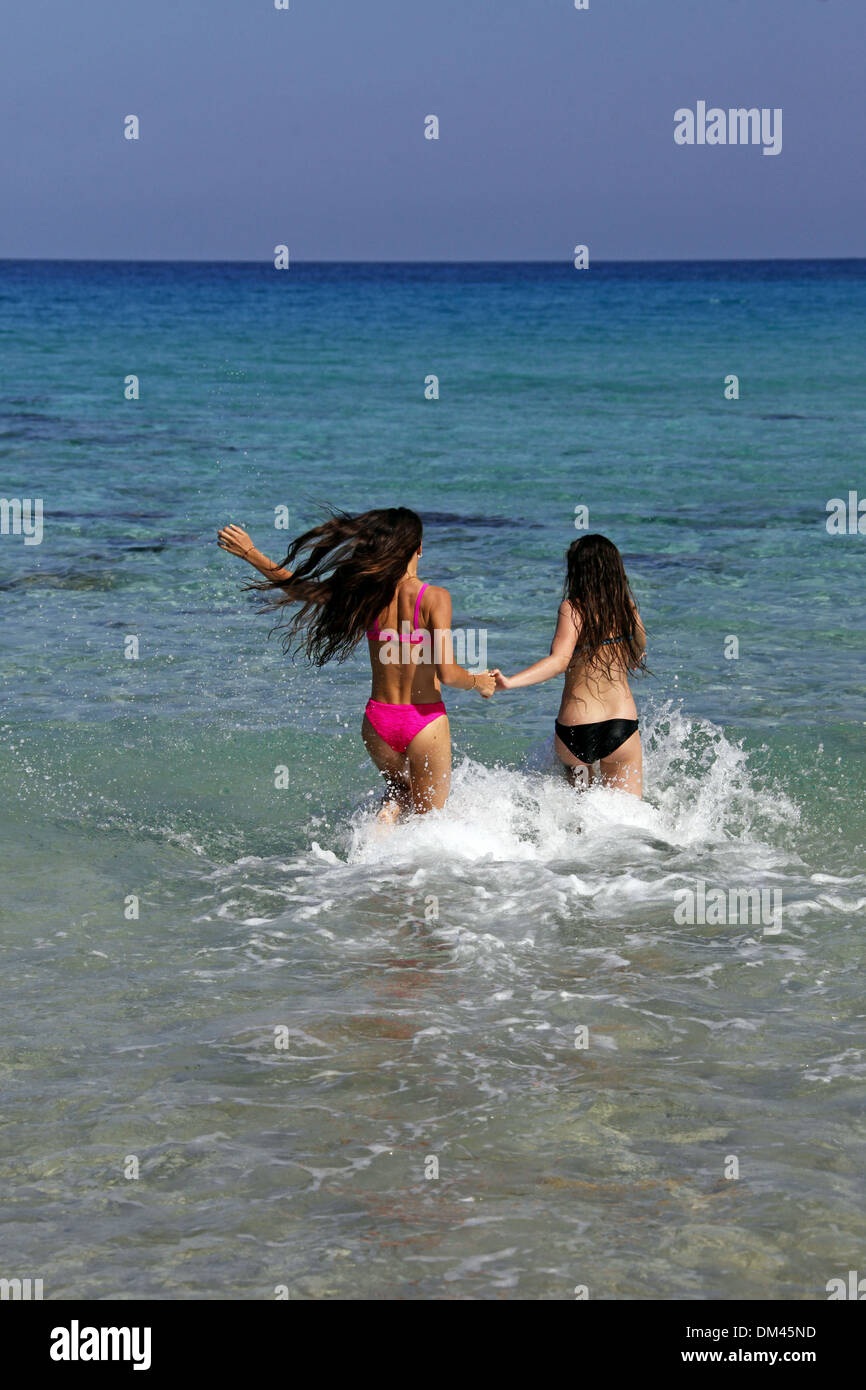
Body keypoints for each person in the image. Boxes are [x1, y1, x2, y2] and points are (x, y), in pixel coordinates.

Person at [217, 508, 495, 818]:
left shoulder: (366, 596)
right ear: (418, 547)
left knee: (398, 796)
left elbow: (299, 588)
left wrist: (251, 553)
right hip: (423, 722)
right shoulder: (434, 597)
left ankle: (369, 852)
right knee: (430, 822)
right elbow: (448, 673)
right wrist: (478, 681)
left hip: (377, 723)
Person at [493, 534, 646, 796]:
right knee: (627, 820)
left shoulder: (573, 609)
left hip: (578, 731)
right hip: (621, 726)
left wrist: (510, 682)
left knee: (579, 818)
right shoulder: (626, 606)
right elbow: (639, 648)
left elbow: (558, 661)